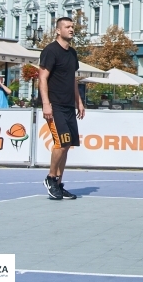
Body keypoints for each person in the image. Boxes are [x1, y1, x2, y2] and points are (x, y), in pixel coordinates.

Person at [39, 17, 85, 200]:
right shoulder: (50, 51)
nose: (72, 29)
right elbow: (42, 78)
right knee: (61, 143)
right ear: (58, 30)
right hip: (55, 105)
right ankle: (51, 178)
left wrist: (79, 102)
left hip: (68, 106)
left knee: (67, 146)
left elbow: (72, 80)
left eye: (73, 26)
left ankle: (58, 184)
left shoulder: (72, 53)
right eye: (67, 27)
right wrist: (46, 104)